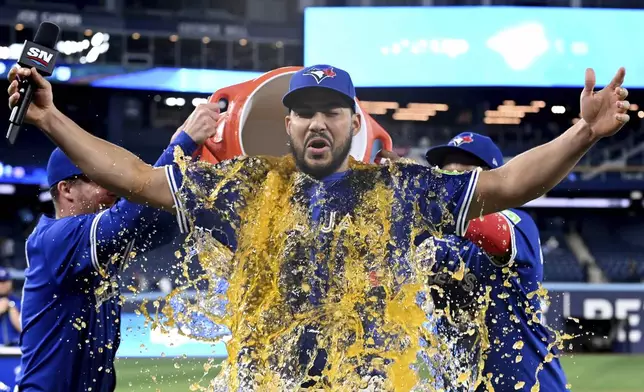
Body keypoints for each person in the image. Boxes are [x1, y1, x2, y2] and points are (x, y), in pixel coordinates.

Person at [7, 63, 630, 389]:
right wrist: (51, 119)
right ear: (287, 126)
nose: (317, 123)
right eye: (304, 112)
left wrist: (582, 134)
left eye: (333, 111)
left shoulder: (399, 189)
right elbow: (136, 180)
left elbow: (506, 186)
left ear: (351, 126)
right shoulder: (243, 189)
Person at [11, 96, 221, 390]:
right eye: (97, 177)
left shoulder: (95, 241)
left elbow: (159, 209)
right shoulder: (55, 239)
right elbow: (134, 213)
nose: (112, 186)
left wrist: (192, 156)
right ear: (66, 189)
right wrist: (182, 145)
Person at [408, 133, 568, 391]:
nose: (452, 185)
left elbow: (493, 233)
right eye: (446, 174)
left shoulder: (517, 222)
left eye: (465, 177)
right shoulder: (433, 240)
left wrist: (416, 197)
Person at [0, 268, 21, 346]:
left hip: (15, 349)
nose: (2, 285)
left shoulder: (20, 302)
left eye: (5, 281)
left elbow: (26, 330)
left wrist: (11, 307)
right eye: (0, 282)